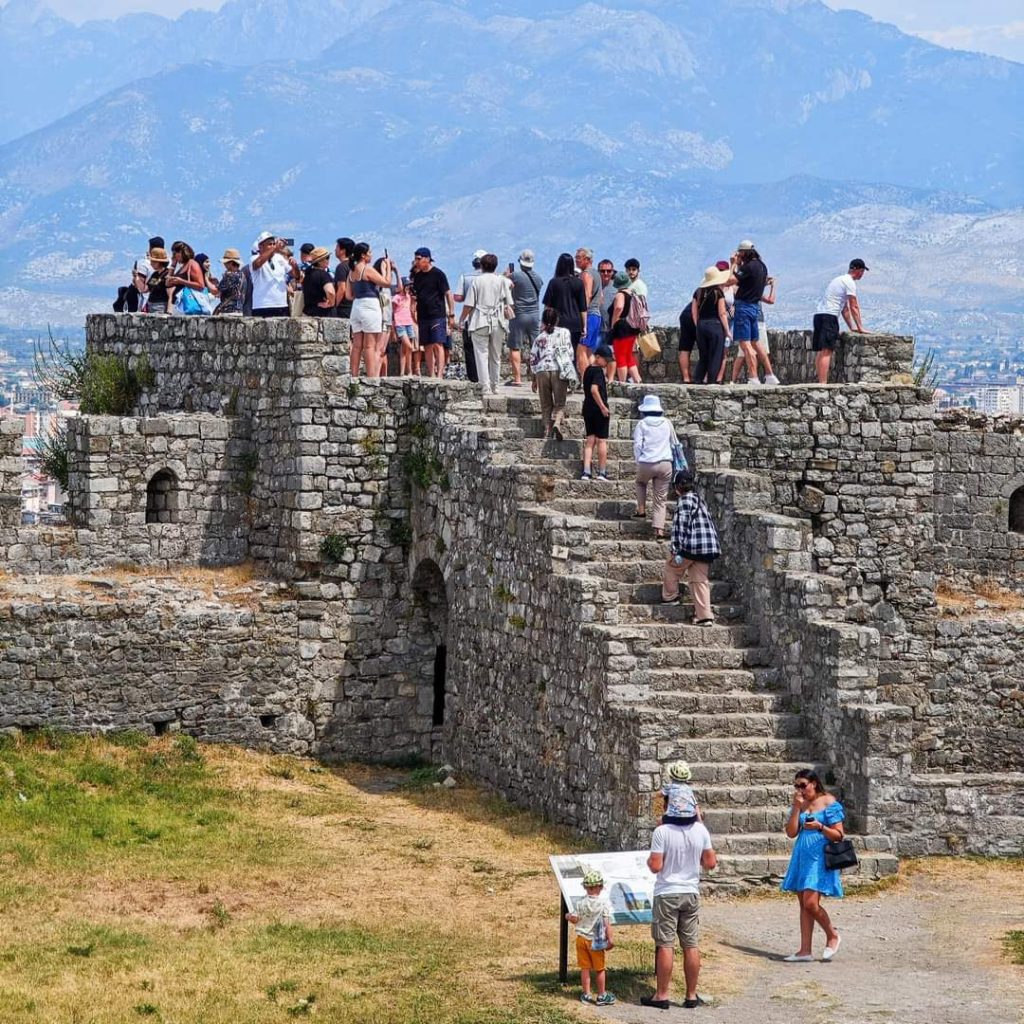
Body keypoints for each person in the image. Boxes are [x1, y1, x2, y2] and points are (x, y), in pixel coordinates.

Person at [643, 798, 717, 1010]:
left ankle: (662, 994)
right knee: (690, 944)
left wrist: (649, 861)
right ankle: (691, 995)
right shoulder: (700, 830)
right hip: (690, 891)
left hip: (667, 892)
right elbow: (710, 863)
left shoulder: (662, 831)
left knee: (666, 944)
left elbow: (656, 866)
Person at [780, 769, 845, 962]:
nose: (800, 790)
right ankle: (804, 950)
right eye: (796, 786)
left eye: (803, 785)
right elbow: (791, 833)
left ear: (814, 783)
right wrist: (796, 808)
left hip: (819, 858)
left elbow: (839, 835)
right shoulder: (800, 804)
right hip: (801, 856)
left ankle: (832, 935)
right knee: (803, 905)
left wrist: (820, 826)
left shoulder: (828, 802)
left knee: (810, 903)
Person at [661, 469, 720, 626]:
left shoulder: (684, 502)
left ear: (678, 487)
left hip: (692, 546)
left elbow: (680, 527)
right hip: (708, 547)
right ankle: (704, 616)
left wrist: (675, 549)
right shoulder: (700, 500)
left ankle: (670, 596)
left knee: (671, 567)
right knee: (699, 580)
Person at [727, 241, 779, 386]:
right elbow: (749, 283)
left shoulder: (748, 267)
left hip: (743, 307)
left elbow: (729, 281)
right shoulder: (762, 266)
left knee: (745, 344)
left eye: (739, 253)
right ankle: (770, 375)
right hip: (755, 308)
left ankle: (754, 377)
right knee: (756, 342)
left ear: (743, 252)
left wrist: (732, 264)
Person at [460, 254, 514, 395]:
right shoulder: (501, 281)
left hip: (480, 320)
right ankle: (495, 386)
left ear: (482, 266)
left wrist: (461, 319)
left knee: (481, 354)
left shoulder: (477, 281)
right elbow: (510, 301)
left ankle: (485, 387)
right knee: (495, 355)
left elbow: (469, 304)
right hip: (497, 320)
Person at [565, 869, 616, 1006]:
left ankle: (586, 995)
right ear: (599, 887)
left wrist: (568, 916)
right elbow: (607, 923)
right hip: (596, 941)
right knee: (600, 969)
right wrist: (610, 939)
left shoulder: (580, 902)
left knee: (585, 968)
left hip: (581, 939)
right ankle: (601, 995)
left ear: (585, 887)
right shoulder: (603, 903)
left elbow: (575, 919)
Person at [814, 259, 868, 384]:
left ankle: (819, 382)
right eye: (861, 270)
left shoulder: (838, 280)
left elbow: (844, 309)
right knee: (827, 351)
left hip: (819, 315)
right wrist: (860, 327)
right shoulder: (849, 282)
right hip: (829, 317)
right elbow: (853, 306)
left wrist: (851, 326)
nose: (862, 274)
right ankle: (822, 384)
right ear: (855, 269)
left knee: (821, 351)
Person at [345, 242, 392, 377]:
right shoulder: (367, 269)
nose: (371, 255)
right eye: (369, 253)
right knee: (370, 346)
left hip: (356, 306)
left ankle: (354, 375)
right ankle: (371, 378)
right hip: (370, 306)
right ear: (363, 255)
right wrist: (388, 266)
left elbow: (348, 295)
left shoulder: (351, 272)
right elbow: (387, 283)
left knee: (357, 345)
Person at [529, 306, 573, 441]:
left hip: (542, 371)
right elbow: (570, 353)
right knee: (560, 402)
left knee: (546, 404)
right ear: (557, 320)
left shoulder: (539, 337)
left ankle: (547, 429)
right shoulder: (565, 332)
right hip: (558, 370)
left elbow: (532, 359)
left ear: (543, 321)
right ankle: (557, 424)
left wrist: (534, 379)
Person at [410, 247, 455, 379]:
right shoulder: (417, 277)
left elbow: (448, 293)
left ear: (427, 259)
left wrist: (451, 314)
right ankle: (431, 375)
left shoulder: (438, 274)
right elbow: (417, 295)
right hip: (423, 315)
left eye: (418, 259)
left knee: (437, 343)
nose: (416, 262)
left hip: (437, 314)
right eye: (415, 259)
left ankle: (440, 374)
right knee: (427, 345)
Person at [633, 395, 674, 539]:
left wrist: (639, 460)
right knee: (660, 498)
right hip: (665, 463)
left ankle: (641, 510)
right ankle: (659, 530)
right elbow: (673, 442)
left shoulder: (642, 424)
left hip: (647, 462)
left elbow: (638, 445)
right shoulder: (667, 423)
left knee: (640, 483)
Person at [542, 253, 587, 377]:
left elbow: (547, 306)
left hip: (558, 323)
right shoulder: (578, 283)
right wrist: (584, 326)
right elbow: (583, 307)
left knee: (557, 352)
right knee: (571, 352)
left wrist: (544, 323)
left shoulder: (554, 282)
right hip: (575, 323)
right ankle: (570, 379)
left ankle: (560, 379)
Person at [508, 249, 544, 387]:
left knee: (515, 347)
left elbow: (504, 283)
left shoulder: (515, 275)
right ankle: (537, 377)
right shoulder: (539, 278)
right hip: (535, 315)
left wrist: (507, 274)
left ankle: (517, 379)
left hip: (519, 315)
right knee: (536, 347)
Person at [691, 266, 732, 385]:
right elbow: (722, 313)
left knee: (703, 356)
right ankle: (712, 382)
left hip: (701, 325)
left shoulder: (698, 292)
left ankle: (697, 380)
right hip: (715, 326)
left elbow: (694, 311)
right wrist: (727, 331)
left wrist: (697, 325)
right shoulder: (718, 293)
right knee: (715, 355)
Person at [580, 345, 612, 481]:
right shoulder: (598, 371)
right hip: (598, 409)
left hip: (587, 408)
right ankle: (602, 472)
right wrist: (603, 407)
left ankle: (586, 472)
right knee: (602, 440)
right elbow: (594, 390)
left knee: (590, 440)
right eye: (605, 360)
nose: (606, 364)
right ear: (598, 357)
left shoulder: (587, 370)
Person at [454, 250, 486, 383]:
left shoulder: (465, 277)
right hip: (487, 318)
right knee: (486, 350)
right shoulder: (495, 277)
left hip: (470, 318)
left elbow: (458, 297)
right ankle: (486, 378)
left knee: (470, 349)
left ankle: (474, 378)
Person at [250, 232, 294, 318]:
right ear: (260, 247)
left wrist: (294, 265)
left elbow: (293, 273)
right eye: (270, 244)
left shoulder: (279, 258)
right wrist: (275, 248)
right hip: (262, 306)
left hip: (281, 305)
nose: (273, 246)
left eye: (274, 244)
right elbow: (257, 264)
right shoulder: (254, 258)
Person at [608, 271, 641, 384]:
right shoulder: (633, 294)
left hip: (622, 328)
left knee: (620, 355)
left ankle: (622, 383)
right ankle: (637, 380)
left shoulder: (620, 295)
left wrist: (614, 323)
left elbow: (619, 307)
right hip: (632, 327)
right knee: (628, 356)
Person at [576, 247, 603, 357]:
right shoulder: (597, 274)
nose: (576, 260)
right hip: (596, 315)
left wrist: (583, 319)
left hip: (589, 316)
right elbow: (601, 297)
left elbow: (587, 295)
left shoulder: (586, 274)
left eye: (578, 258)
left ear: (587, 259)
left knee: (581, 351)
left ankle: (584, 375)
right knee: (589, 353)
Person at [393, 277, 420, 376]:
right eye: (407, 285)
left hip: (409, 323)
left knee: (405, 350)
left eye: (409, 285)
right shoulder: (396, 297)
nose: (408, 287)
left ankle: (406, 371)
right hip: (400, 323)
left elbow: (413, 307)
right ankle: (407, 370)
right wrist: (393, 329)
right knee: (409, 346)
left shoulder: (409, 296)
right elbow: (393, 311)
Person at [661, 760, 700, 827]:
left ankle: (661, 832)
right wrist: (700, 821)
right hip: (690, 818)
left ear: (671, 776)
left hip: (674, 818)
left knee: (661, 820)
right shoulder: (688, 789)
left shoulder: (669, 787)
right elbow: (695, 805)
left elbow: (659, 795)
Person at [301, 247, 336, 317]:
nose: (328, 260)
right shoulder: (323, 275)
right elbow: (330, 292)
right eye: (327, 258)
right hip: (323, 314)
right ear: (320, 261)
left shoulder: (307, 275)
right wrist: (331, 303)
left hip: (308, 312)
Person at [213, 249, 245, 316]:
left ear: (230, 263)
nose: (224, 264)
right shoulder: (242, 275)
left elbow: (215, 291)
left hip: (228, 312)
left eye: (225, 262)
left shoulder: (230, 276)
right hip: (239, 311)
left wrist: (206, 279)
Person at [140, 247, 171, 314]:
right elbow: (147, 288)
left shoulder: (167, 274)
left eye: (153, 261)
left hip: (161, 306)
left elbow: (170, 294)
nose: (151, 263)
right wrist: (137, 278)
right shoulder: (155, 275)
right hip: (151, 305)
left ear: (159, 262)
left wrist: (169, 310)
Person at [678, 290, 698, 383]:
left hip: (685, 315)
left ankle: (686, 378)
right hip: (697, 317)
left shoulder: (700, 290)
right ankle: (703, 377)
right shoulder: (716, 291)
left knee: (685, 348)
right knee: (705, 349)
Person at [334, 237, 355, 319]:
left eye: (337, 247)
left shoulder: (341, 267)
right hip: (354, 306)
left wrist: (334, 306)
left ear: (343, 250)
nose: (335, 250)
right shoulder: (354, 266)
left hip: (344, 308)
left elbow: (342, 289)